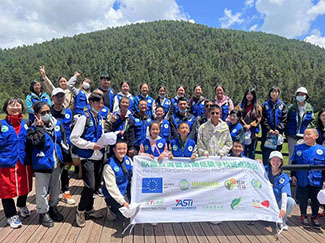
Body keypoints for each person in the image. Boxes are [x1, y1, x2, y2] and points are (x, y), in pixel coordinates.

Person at [70, 93, 113, 227]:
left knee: (95, 186)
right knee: (90, 186)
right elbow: (74, 138)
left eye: (102, 103)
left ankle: (89, 209)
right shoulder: (84, 118)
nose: (101, 105)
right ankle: (80, 210)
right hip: (88, 156)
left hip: (99, 156)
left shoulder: (99, 117)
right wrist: (90, 145)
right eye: (98, 103)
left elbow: (98, 135)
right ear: (91, 103)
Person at [27, 101, 68, 227]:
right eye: (43, 113)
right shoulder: (32, 128)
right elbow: (35, 142)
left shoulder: (57, 124)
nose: (46, 114)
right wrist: (39, 127)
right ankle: (43, 212)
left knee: (56, 187)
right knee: (42, 190)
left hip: (57, 161)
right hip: (42, 162)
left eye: (48, 111)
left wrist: (66, 157)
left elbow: (64, 141)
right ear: (36, 114)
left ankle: (53, 207)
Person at [0, 98, 33, 229]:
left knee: (25, 186)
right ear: (6, 108)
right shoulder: (1, 125)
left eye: (18, 105)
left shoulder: (26, 123)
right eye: (11, 105)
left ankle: (21, 205)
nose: (15, 107)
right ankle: (11, 215)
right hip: (6, 163)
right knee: (6, 190)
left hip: (23, 162)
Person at [291, 128, 325, 228]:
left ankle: (314, 216)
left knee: (315, 199)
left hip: (316, 179)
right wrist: (293, 175)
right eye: (305, 135)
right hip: (302, 178)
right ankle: (303, 214)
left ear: (316, 136)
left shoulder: (322, 150)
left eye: (309, 135)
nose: (306, 136)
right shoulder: (298, 148)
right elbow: (294, 162)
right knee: (303, 198)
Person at [50, 88, 75, 205]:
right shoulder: (47, 113)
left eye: (62, 96)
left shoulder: (69, 113)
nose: (60, 98)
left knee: (65, 170)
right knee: (51, 169)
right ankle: (51, 193)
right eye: (57, 96)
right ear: (52, 98)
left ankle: (66, 191)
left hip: (65, 147)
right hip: (51, 146)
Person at [265, 151, 296, 230]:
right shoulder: (263, 170)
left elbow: (284, 194)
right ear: (269, 161)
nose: (275, 162)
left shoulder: (284, 176)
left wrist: (283, 209)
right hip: (264, 200)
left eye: (278, 160)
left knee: (291, 202)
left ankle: (282, 219)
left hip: (277, 201)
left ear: (281, 162)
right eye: (273, 160)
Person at [102, 140, 132, 220]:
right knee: (124, 213)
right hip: (114, 194)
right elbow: (111, 187)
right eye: (119, 149)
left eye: (124, 148)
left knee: (133, 210)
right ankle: (110, 208)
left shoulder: (128, 160)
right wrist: (123, 202)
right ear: (114, 150)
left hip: (126, 190)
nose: (122, 151)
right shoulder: (108, 166)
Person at [286, 87, 315, 161]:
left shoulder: (310, 108)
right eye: (299, 94)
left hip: (305, 136)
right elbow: (286, 120)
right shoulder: (291, 108)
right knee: (292, 154)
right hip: (292, 135)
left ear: (306, 96)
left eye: (303, 94)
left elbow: (313, 121)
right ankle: (292, 171)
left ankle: (302, 172)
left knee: (303, 154)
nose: (301, 96)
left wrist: (308, 130)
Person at [261, 86, 287, 165]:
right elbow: (263, 119)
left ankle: (276, 171)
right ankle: (265, 172)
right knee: (266, 154)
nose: (274, 94)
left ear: (278, 94)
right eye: (272, 92)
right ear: (270, 93)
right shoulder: (265, 105)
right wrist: (269, 129)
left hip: (277, 134)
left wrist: (278, 129)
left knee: (277, 154)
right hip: (267, 134)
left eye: (276, 92)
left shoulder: (282, 105)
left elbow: (284, 119)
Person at [235, 88, 262, 159]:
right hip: (242, 130)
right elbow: (238, 116)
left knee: (252, 151)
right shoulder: (240, 105)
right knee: (242, 150)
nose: (249, 96)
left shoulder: (257, 106)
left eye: (251, 94)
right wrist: (245, 125)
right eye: (248, 94)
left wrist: (250, 125)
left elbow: (259, 118)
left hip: (253, 132)